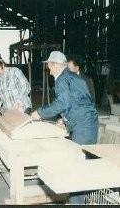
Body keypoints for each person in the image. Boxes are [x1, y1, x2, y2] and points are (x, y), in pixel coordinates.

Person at [31, 51, 98, 204]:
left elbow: (62, 103)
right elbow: (79, 101)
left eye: (49, 66)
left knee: (78, 165)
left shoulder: (62, 79)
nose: (48, 69)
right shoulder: (74, 76)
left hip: (83, 126)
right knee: (82, 162)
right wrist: (65, 118)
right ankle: (78, 200)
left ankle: (77, 203)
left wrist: (39, 113)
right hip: (87, 123)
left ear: (54, 65)